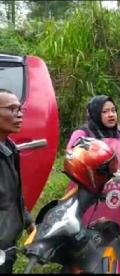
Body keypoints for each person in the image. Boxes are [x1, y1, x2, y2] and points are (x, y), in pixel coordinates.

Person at [66, 95, 120, 234]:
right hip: (89, 200)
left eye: (113, 110)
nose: (111, 114)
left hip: (116, 198)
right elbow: (71, 161)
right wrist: (103, 172)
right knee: (87, 239)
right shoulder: (83, 134)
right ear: (95, 113)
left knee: (113, 238)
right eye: (105, 111)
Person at [0, 89, 35, 273]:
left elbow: (13, 195)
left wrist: (29, 222)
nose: (19, 114)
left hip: (7, 245)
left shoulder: (10, 148)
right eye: (11, 109)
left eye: (20, 109)